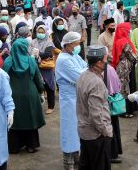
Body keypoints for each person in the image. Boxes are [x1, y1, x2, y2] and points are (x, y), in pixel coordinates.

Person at [3, 38, 45, 154]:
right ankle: (31, 145)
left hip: (13, 94)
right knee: (30, 119)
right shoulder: (30, 61)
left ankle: (14, 146)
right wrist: (41, 91)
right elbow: (37, 79)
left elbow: (3, 79)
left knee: (14, 121)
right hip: (29, 94)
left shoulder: (8, 61)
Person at [76, 45, 112, 170]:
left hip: (84, 130)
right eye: (105, 59)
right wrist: (105, 131)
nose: (107, 62)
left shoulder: (83, 76)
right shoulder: (96, 83)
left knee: (86, 164)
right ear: (98, 62)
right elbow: (95, 114)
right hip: (96, 135)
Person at [56, 32, 87, 170]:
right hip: (69, 100)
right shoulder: (63, 60)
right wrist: (86, 71)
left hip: (77, 97)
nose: (79, 46)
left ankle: (77, 160)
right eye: (76, 44)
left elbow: (86, 68)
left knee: (77, 130)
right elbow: (81, 76)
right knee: (69, 131)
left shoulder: (73, 55)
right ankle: (68, 163)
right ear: (68, 45)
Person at [29, 25, 58, 114]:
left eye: (42, 32)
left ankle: (51, 106)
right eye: (39, 32)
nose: (40, 34)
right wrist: (34, 55)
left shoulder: (49, 42)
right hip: (35, 66)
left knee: (49, 86)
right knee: (35, 86)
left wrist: (38, 54)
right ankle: (36, 106)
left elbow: (48, 54)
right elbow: (29, 52)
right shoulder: (33, 42)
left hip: (46, 68)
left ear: (46, 33)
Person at [112, 22, 138, 119]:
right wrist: (137, 60)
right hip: (126, 67)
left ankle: (122, 109)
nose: (128, 31)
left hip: (120, 66)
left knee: (122, 87)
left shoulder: (118, 40)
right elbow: (131, 55)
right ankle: (126, 110)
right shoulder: (124, 41)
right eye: (127, 29)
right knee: (126, 87)